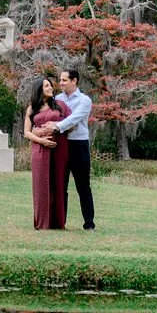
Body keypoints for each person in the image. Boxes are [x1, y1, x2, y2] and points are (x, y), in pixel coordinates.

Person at [35, 69, 95, 230]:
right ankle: (61, 222)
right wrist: (36, 130)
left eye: (64, 80)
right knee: (60, 185)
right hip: (60, 145)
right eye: (60, 80)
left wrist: (56, 126)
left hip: (78, 145)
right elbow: (42, 114)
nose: (60, 83)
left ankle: (89, 223)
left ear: (74, 81)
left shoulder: (84, 100)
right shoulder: (56, 99)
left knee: (83, 185)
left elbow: (74, 119)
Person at [23, 77, 71, 230]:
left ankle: (58, 222)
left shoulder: (60, 105)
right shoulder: (32, 108)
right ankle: (42, 223)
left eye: (50, 85)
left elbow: (71, 124)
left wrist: (56, 125)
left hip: (59, 148)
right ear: (39, 89)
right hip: (40, 149)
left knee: (58, 183)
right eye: (46, 86)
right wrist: (41, 140)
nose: (50, 88)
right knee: (41, 184)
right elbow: (26, 132)